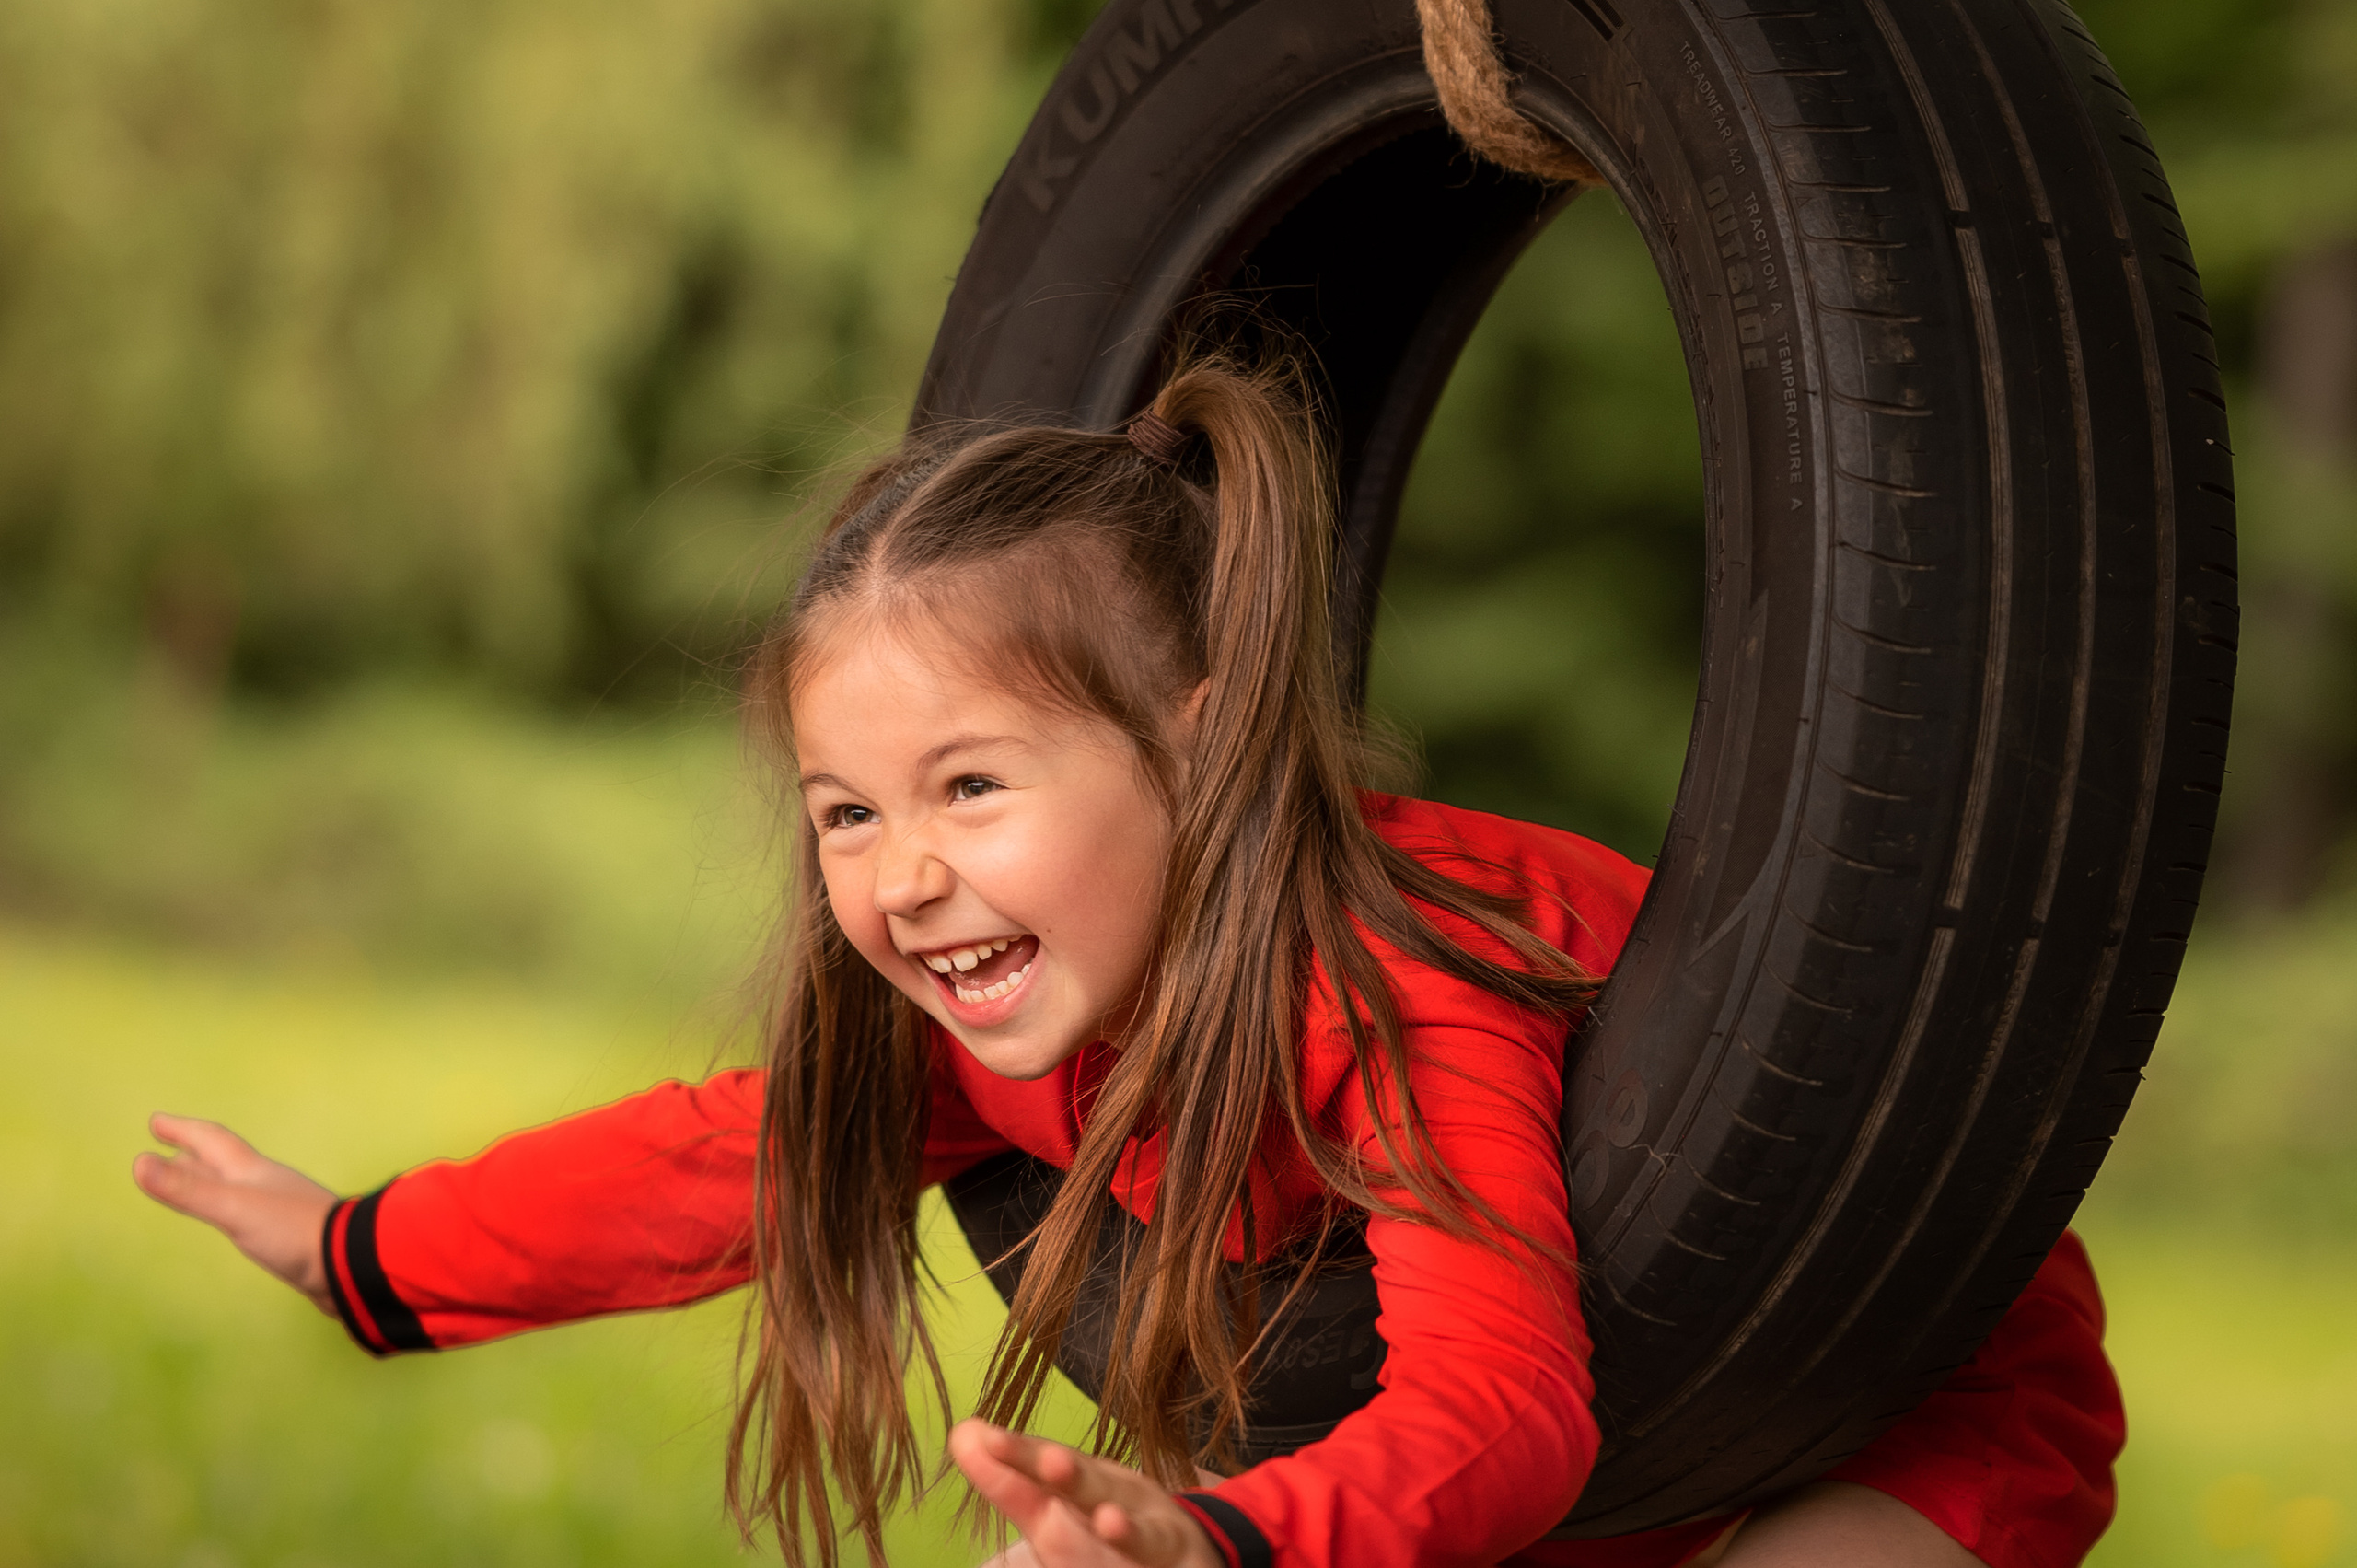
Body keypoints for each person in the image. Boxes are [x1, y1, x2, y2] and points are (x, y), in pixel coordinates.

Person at [133, 347, 2123, 1568]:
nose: (904, 876)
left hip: (1882, 1389)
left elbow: (1504, 1402)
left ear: (1195, 741)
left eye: (969, 786)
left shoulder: (1393, 987)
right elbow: (718, 1162)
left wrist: (1223, 1538)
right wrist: (364, 1250)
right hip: (1586, 1494)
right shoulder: (1004, 1011)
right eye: (845, 812)